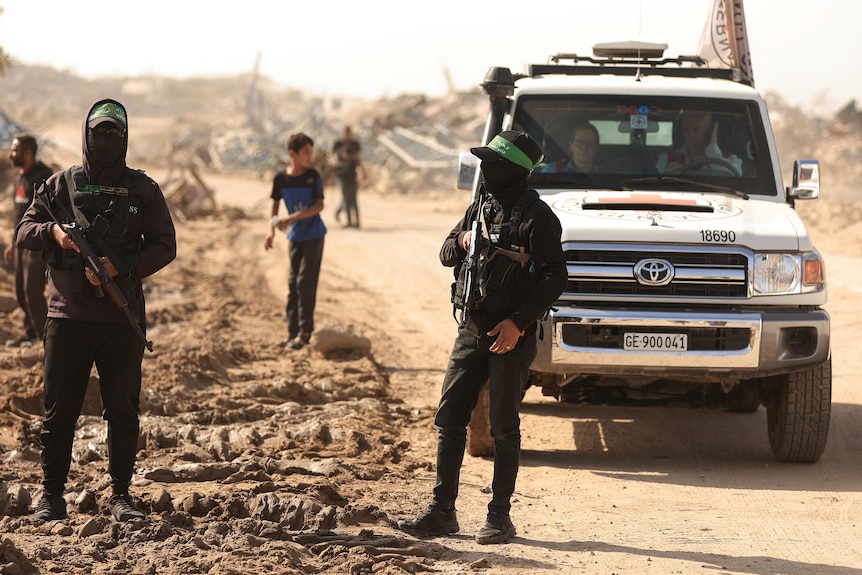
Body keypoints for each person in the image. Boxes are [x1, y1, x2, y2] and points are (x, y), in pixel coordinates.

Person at [398, 131, 567, 544]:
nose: (486, 170)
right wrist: (462, 240)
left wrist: (519, 323)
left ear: (513, 170)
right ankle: (442, 512)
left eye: (493, 163)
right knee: (450, 419)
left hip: (511, 336)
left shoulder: (538, 217)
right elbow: (445, 253)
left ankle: (500, 517)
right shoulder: (479, 208)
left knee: (503, 427)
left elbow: (554, 276)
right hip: (471, 330)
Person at [16, 99, 177, 522]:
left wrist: (122, 267)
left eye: (114, 133)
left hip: (120, 320)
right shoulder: (60, 185)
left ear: (125, 137)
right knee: (58, 412)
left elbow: (165, 244)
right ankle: (51, 498)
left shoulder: (143, 189)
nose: (105, 140)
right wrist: (56, 233)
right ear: (86, 134)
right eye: (99, 132)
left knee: (122, 412)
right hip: (66, 318)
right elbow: (24, 231)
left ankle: (121, 495)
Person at [264, 132, 326, 350]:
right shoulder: (281, 179)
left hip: (314, 235)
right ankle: (292, 334)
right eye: (306, 152)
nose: (310, 156)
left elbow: (319, 206)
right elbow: (275, 205)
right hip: (295, 237)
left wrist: (292, 217)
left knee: (304, 282)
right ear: (293, 153)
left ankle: (305, 333)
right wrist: (271, 230)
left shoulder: (313, 176)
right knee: (292, 284)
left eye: (311, 152)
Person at [5, 134, 54, 347]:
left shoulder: (44, 176)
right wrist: (13, 242)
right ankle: (31, 332)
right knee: (21, 291)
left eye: (15, 150)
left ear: (28, 152)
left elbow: (52, 212)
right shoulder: (19, 178)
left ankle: (47, 339)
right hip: (21, 244)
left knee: (33, 292)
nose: (10, 154)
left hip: (37, 244)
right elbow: (19, 216)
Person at [656, 111, 742, 175]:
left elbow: (733, 185)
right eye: (686, 131)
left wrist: (712, 149)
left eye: (695, 130)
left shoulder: (731, 160)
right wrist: (667, 177)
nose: (691, 137)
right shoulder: (667, 158)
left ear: (709, 132)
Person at [331, 126, 363, 228]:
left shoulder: (354, 146)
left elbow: (358, 159)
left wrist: (362, 171)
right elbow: (331, 155)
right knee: (346, 198)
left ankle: (354, 221)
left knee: (352, 200)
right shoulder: (339, 144)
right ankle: (348, 220)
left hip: (351, 176)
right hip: (342, 176)